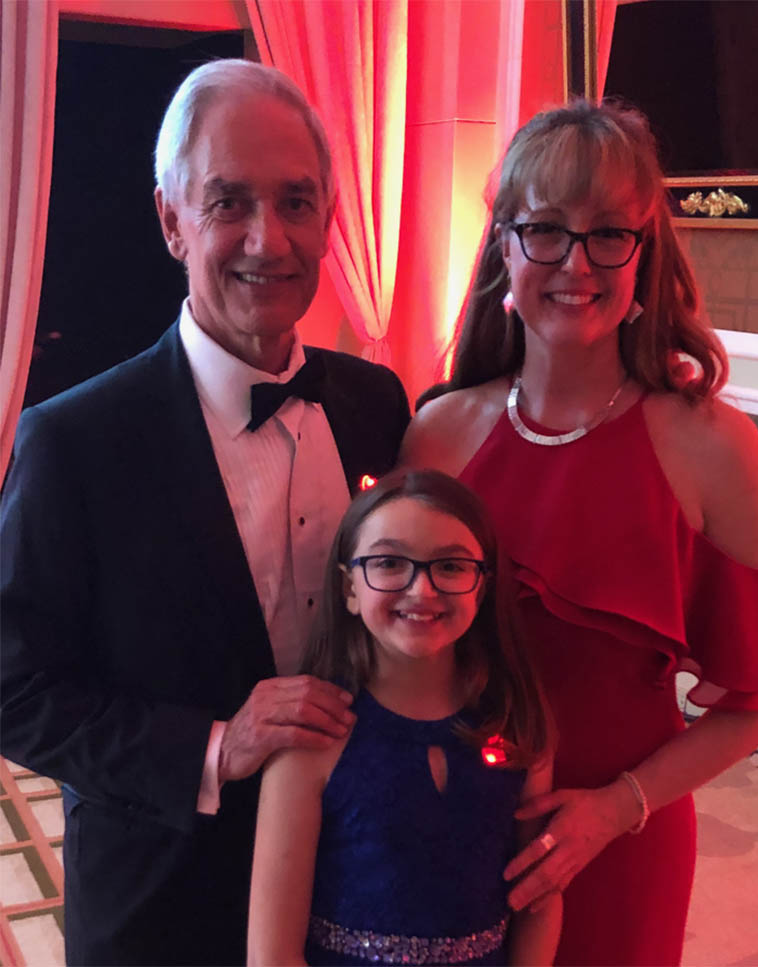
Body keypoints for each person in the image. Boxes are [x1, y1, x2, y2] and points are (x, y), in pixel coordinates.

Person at [0, 60, 410, 967]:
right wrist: (217, 746)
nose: (268, 238)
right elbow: (15, 689)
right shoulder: (75, 442)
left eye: (296, 201)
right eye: (229, 201)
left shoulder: (378, 403)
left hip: (355, 885)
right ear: (171, 221)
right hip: (163, 908)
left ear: (330, 221)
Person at [401, 99, 758, 966]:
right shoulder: (436, 430)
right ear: (504, 244)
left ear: (643, 256)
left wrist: (615, 807)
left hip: (623, 843)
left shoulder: (713, 444)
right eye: (545, 229)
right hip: (447, 819)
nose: (575, 263)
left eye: (608, 233)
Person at [247, 469, 561, 966]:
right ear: (349, 587)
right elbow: (272, 956)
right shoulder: (313, 736)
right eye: (390, 562)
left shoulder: (516, 720)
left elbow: (539, 899)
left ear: (482, 587)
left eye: (451, 566)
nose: (422, 589)